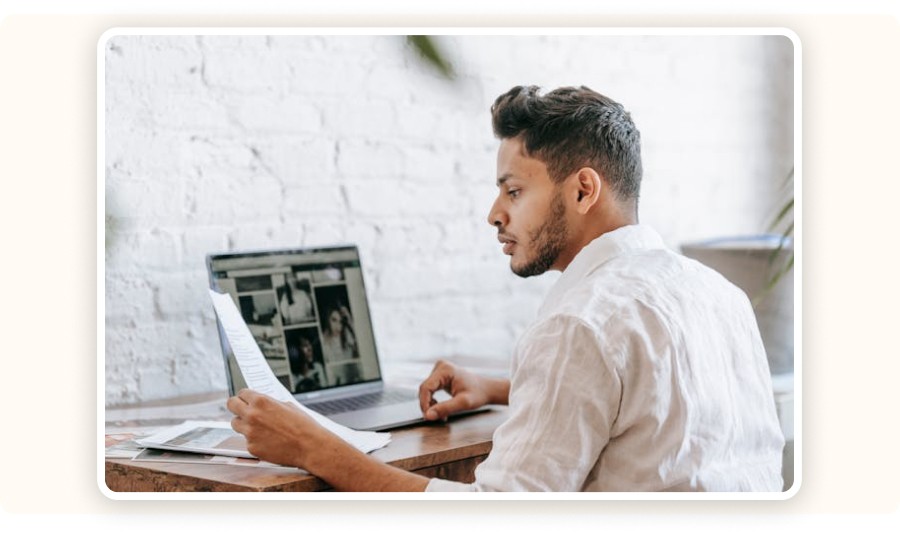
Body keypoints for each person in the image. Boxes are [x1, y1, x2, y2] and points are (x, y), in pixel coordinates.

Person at [227, 85, 785, 492]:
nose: (494, 214)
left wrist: (314, 447)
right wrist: (499, 388)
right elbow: (646, 402)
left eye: (513, 191)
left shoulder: (581, 323)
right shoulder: (719, 295)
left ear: (583, 189)